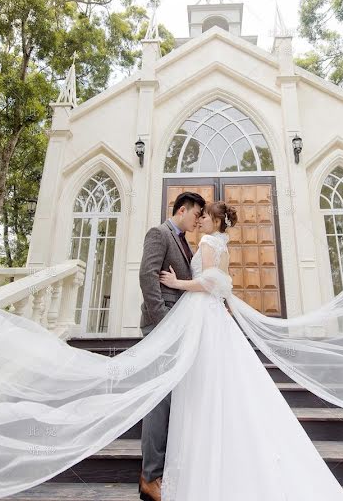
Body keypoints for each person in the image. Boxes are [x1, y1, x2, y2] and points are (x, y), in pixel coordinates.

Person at [156, 201, 343, 501]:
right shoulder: (223, 244)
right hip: (213, 316)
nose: (202, 221)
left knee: (204, 385)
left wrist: (177, 282)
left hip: (204, 314)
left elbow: (210, 282)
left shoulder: (210, 242)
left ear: (217, 221)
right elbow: (223, 283)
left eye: (206, 217)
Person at [137, 191, 205, 501]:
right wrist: (165, 324)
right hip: (160, 328)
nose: (197, 219)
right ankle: (150, 477)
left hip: (179, 330)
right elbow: (147, 277)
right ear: (181, 209)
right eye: (195, 213)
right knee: (159, 401)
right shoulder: (159, 233)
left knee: (172, 400)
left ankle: (162, 472)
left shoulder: (184, 242)